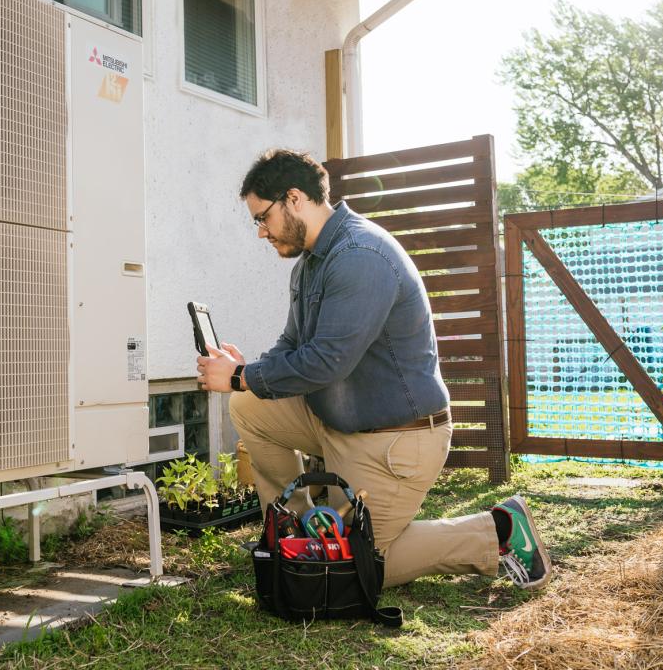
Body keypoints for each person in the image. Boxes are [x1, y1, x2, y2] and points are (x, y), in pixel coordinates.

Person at [196, 148, 551, 591]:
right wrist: (248, 375)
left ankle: (497, 531)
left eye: (262, 218)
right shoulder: (310, 263)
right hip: (341, 424)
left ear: (293, 198)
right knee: (250, 405)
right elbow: (293, 345)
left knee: (346, 572)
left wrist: (237, 376)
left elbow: (325, 362)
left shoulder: (360, 255)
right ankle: (298, 531)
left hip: (397, 441)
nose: (261, 232)